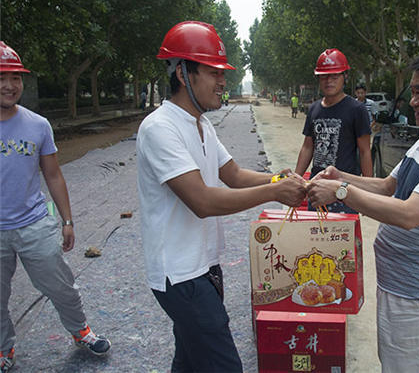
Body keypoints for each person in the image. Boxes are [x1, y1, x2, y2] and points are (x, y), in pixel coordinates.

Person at [306, 48, 419, 373]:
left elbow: (409, 214)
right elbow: (388, 187)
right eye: (412, 92)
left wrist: (340, 191)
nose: (412, 102)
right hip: (397, 287)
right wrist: (341, 175)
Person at [136, 21, 306, 373]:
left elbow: (234, 175)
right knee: (224, 364)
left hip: (204, 265)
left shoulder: (202, 124)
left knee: (188, 359)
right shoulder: (160, 128)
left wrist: (281, 177)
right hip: (181, 275)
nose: (222, 81)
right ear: (183, 73)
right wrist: (275, 191)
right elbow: (202, 201)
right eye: (213, 72)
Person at [0, 41, 111, 372]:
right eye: (1, 77)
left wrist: (67, 220)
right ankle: (4, 349)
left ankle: (81, 332)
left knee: (60, 284)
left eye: (15, 78)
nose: (9, 85)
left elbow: (53, 174)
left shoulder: (37, 125)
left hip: (35, 223)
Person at [294, 48, 372, 213]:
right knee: (315, 236)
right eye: (324, 76)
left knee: (341, 236)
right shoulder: (314, 109)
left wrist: (368, 194)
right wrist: (296, 180)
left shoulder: (357, 110)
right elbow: (308, 147)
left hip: (344, 193)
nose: (328, 81)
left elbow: (365, 151)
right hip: (316, 190)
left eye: (334, 76)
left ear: (345, 77)